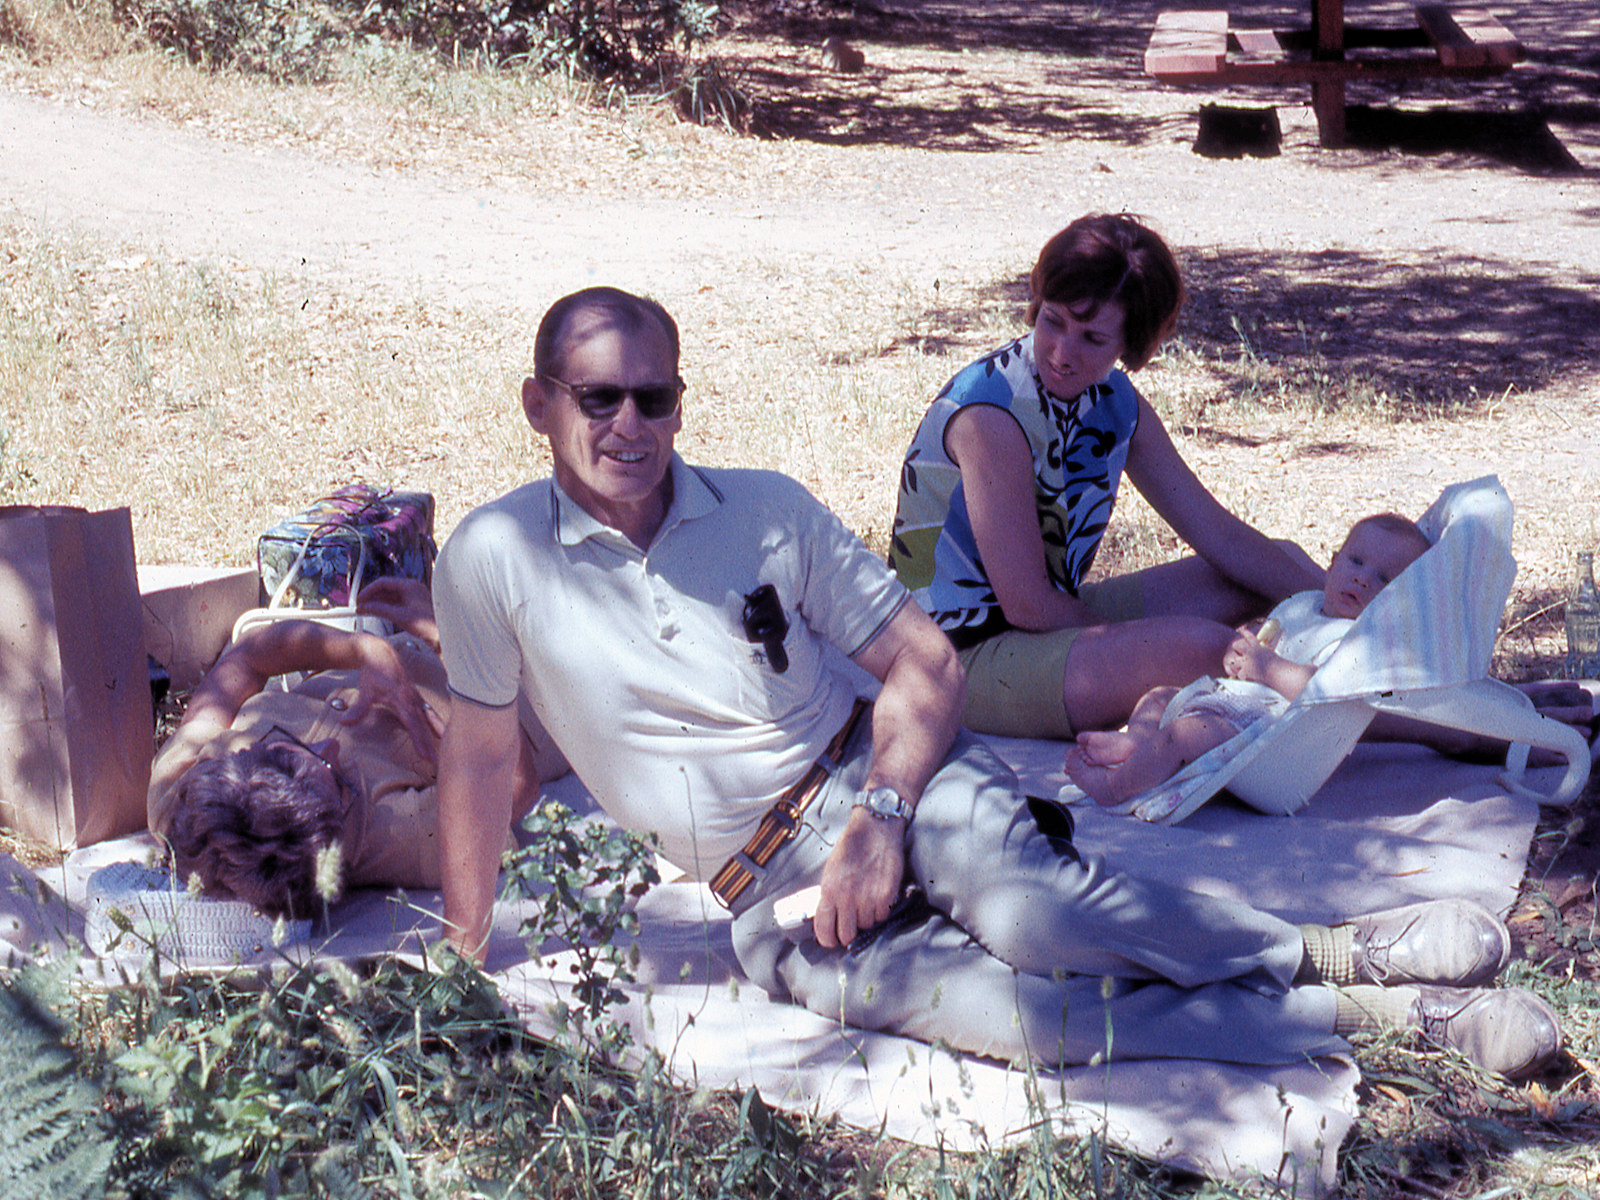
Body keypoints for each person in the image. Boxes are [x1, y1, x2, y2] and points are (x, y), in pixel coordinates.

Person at [430, 285, 1561, 1079]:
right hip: (762, 889)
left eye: (655, 398)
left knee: (1042, 911)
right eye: (598, 399)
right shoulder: (491, 562)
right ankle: (1373, 1007)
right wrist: (467, 942)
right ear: (541, 404)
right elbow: (482, 757)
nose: (631, 425)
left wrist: (881, 814)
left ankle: (1327, 945)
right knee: (1031, 1023)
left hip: (886, 777)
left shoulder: (763, 510)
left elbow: (923, 662)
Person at [889, 213, 1325, 742]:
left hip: (1044, 624)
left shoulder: (1116, 402)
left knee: (1275, 569)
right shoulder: (990, 413)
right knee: (1209, 649)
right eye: (1052, 321)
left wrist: (1352, 609)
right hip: (954, 660)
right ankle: (1407, 720)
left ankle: (1381, 656)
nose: (1062, 353)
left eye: (1093, 337)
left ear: (1131, 345)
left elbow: (1220, 535)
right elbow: (1025, 602)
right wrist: (1147, 646)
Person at [148, 578, 568, 917]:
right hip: (522, 683)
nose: (330, 748)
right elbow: (517, 783)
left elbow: (244, 661)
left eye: (287, 747)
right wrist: (445, 636)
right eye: (340, 782)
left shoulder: (183, 796)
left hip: (435, 638)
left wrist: (361, 650)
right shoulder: (402, 839)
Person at [1066, 512, 1431, 807]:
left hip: (1275, 739)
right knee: (1157, 696)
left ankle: (1114, 787)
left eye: (1384, 578)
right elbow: (1275, 632)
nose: (1363, 578)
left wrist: (1266, 668)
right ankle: (1137, 744)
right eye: (1356, 561)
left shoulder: (1362, 643)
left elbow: (1325, 693)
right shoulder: (1307, 604)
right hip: (1239, 705)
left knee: (1182, 735)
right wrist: (1249, 640)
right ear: (1332, 564)